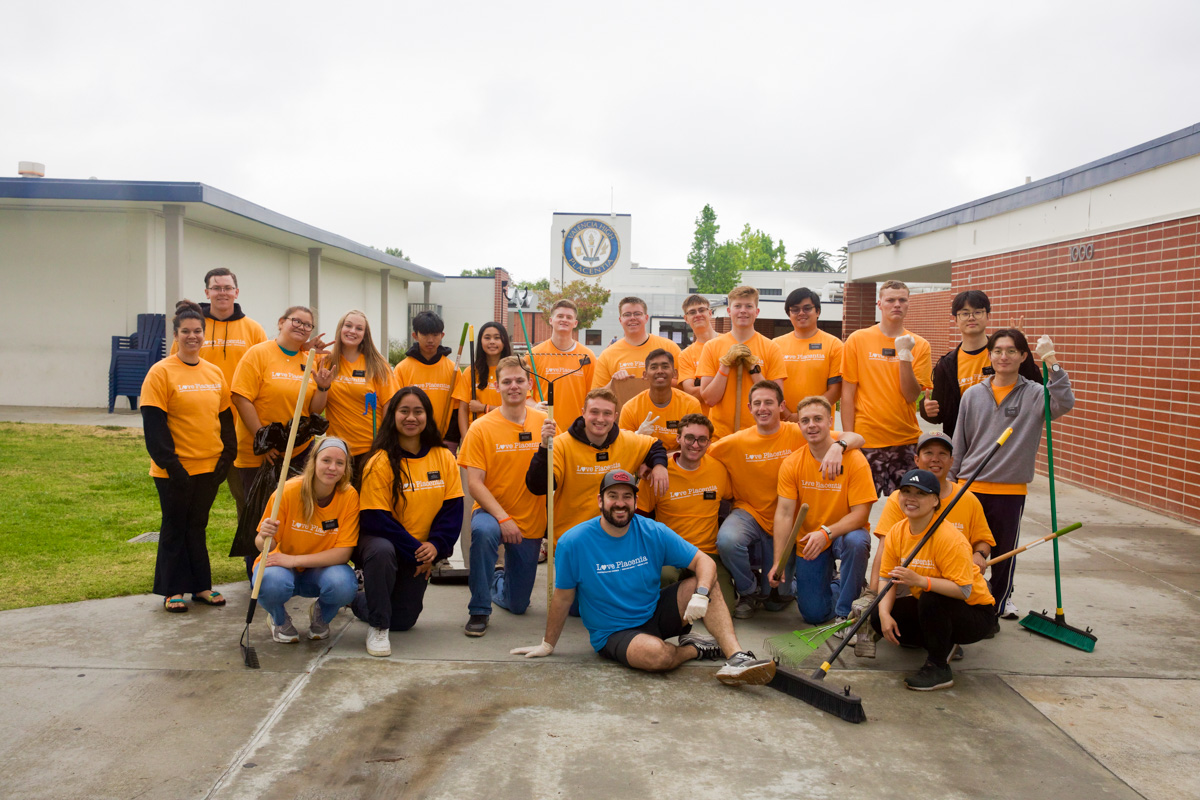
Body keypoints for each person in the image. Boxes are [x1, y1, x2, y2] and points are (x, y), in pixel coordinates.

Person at [510, 469, 776, 686]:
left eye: (627, 496)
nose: (620, 503)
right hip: (614, 632)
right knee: (658, 656)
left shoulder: (652, 531)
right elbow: (563, 598)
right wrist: (548, 644)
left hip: (653, 613)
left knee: (704, 581)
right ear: (600, 501)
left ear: (636, 503)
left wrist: (701, 594)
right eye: (613, 496)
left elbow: (703, 561)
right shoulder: (574, 542)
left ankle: (736, 657)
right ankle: (696, 649)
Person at [952, 330, 1074, 625]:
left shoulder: (1035, 394)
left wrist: (1051, 359)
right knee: (961, 552)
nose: (1003, 357)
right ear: (990, 356)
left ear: (1023, 356)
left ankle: (992, 612)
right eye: (997, 351)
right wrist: (952, 484)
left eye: (1011, 351)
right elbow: (959, 444)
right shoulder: (972, 395)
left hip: (1009, 492)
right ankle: (960, 606)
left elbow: (1064, 402)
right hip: (969, 488)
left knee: (1004, 556)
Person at [862, 431, 995, 658]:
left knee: (932, 598)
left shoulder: (962, 511)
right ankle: (934, 637)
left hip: (954, 588)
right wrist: (874, 598)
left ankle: (939, 657)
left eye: (942, 454)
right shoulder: (898, 521)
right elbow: (886, 560)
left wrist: (979, 554)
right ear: (916, 459)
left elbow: (980, 547)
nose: (935, 459)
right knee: (882, 612)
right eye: (928, 453)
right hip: (915, 579)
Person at [353, 387, 464, 657]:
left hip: (421, 550)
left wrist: (435, 547)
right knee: (381, 550)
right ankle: (378, 627)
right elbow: (376, 519)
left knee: (403, 620)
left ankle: (352, 601)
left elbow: (452, 510)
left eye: (418, 411)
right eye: (404, 411)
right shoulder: (379, 461)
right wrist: (418, 551)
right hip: (388, 545)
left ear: (427, 416)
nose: (411, 417)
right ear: (393, 415)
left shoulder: (443, 457)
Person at [141, 300, 237, 612]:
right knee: (175, 526)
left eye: (197, 331)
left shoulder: (214, 372)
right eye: (186, 331)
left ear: (203, 334)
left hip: (209, 467)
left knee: (197, 525)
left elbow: (225, 419)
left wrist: (227, 456)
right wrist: (172, 465)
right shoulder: (160, 373)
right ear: (176, 335)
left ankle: (201, 586)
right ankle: (173, 590)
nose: (192, 336)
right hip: (174, 469)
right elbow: (154, 426)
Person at [872, 469, 996, 691]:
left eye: (920, 493)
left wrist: (921, 580)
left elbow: (964, 590)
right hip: (933, 603)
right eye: (906, 491)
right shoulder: (897, 532)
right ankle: (941, 641)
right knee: (877, 615)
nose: (911, 498)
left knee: (931, 598)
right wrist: (883, 615)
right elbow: (886, 577)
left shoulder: (950, 539)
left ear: (935, 501)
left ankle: (938, 667)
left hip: (975, 612)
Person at [231, 305, 330, 576]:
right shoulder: (258, 353)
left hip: (298, 453)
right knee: (260, 516)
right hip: (260, 453)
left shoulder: (310, 359)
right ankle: (259, 574)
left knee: (293, 515)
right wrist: (263, 443)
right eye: (296, 321)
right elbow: (241, 397)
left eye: (307, 325)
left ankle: (287, 572)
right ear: (281, 322)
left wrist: (323, 386)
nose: (301, 327)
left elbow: (314, 409)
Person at [769, 396, 874, 635]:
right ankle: (848, 583)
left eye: (818, 419)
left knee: (857, 541)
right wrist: (778, 562)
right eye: (805, 420)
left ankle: (845, 613)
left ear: (830, 421)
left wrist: (826, 533)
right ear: (799, 426)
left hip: (842, 535)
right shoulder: (792, 463)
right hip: (810, 542)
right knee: (813, 614)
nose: (811, 425)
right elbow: (784, 514)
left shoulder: (854, 459)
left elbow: (860, 515)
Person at [459, 356, 547, 637]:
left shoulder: (544, 423)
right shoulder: (481, 428)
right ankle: (479, 609)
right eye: (507, 381)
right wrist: (503, 519)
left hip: (530, 519)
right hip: (491, 512)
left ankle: (497, 579)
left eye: (519, 380)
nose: (514, 386)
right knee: (483, 532)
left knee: (518, 605)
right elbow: (474, 484)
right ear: (496, 386)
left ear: (529, 384)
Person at [169, 268, 267, 520]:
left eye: (227, 288)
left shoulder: (253, 329)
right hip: (198, 428)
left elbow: (266, 373)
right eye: (216, 288)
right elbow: (173, 372)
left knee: (246, 497)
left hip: (240, 429)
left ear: (236, 292)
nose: (222, 293)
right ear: (207, 292)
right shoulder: (193, 329)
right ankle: (189, 541)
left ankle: (250, 545)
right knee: (192, 497)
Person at [709, 381, 805, 619]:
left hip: (787, 519)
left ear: (781, 406)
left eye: (769, 402)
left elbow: (852, 438)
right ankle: (749, 590)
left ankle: (792, 584)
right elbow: (695, 453)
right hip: (749, 512)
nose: (763, 408)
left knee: (776, 602)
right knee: (728, 541)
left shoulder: (798, 433)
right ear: (749, 408)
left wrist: (838, 446)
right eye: (758, 403)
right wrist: (656, 462)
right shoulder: (735, 441)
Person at [526, 387, 669, 542]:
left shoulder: (627, 441)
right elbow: (537, 486)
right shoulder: (562, 445)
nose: (600, 419)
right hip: (571, 538)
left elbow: (655, 446)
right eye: (594, 412)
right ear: (583, 413)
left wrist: (658, 466)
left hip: (614, 537)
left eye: (607, 413)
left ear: (615, 416)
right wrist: (544, 447)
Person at [254, 436, 359, 642]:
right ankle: (278, 619)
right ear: (314, 461)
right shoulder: (287, 491)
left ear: (346, 468)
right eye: (326, 460)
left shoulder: (349, 496)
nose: (332, 468)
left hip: (320, 569)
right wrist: (265, 535)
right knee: (269, 583)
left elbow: (343, 553)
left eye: (340, 463)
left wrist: (294, 560)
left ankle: (322, 615)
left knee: (343, 585)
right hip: (281, 568)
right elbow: (263, 546)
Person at [841, 280, 933, 499]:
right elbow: (847, 394)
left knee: (908, 507)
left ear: (908, 304)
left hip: (905, 441)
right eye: (891, 300)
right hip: (866, 440)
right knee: (857, 505)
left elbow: (911, 395)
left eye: (902, 300)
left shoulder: (920, 344)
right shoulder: (858, 339)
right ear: (879, 304)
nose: (897, 304)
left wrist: (904, 355)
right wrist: (849, 438)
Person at [636, 413, 736, 613]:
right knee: (663, 585)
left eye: (702, 439)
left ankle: (690, 590)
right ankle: (682, 593)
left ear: (709, 443)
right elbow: (640, 517)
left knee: (726, 609)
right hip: (670, 551)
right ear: (678, 438)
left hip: (707, 552)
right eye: (689, 438)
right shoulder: (658, 472)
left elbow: (733, 499)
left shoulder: (718, 470)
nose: (695, 445)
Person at [920, 290, 1041, 436]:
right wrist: (926, 410)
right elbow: (939, 415)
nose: (971, 318)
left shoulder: (1003, 356)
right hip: (963, 442)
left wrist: (1020, 349)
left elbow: (1037, 389)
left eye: (978, 312)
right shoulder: (947, 365)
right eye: (965, 313)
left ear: (988, 316)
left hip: (1005, 440)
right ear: (955, 319)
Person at [697, 285, 786, 439]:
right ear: (729, 311)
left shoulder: (771, 348)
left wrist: (753, 368)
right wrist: (725, 365)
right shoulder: (711, 347)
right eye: (737, 306)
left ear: (757, 312)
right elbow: (709, 399)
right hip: (720, 437)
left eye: (749, 306)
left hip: (758, 436)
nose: (743, 310)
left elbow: (777, 400)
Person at [320, 310, 397, 487]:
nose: (352, 331)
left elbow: (390, 406)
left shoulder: (377, 365)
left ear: (365, 334)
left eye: (359, 328)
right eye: (348, 325)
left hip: (369, 449)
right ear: (340, 328)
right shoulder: (325, 361)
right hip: (337, 450)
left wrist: (384, 444)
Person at [773, 287, 843, 421]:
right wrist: (786, 415)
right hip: (782, 424)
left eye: (807, 308)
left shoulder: (834, 345)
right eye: (795, 309)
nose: (801, 313)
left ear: (818, 311)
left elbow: (836, 390)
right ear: (789, 314)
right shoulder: (775, 345)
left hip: (818, 425)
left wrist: (805, 416)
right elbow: (770, 388)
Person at [591, 296, 681, 395]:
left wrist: (656, 380)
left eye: (637, 314)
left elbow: (682, 385)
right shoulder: (607, 355)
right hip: (624, 405)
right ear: (620, 320)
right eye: (627, 314)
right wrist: (614, 383)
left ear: (646, 318)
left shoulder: (669, 347)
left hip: (662, 405)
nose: (632, 318)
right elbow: (595, 396)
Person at [618, 348, 701, 451]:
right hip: (644, 459)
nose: (660, 371)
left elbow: (694, 448)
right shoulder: (630, 408)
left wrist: (662, 458)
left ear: (674, 373)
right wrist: (638, 435)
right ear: (645, 375)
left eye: (665, 366)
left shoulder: (691, 404)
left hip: (678, 460)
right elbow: (624, 449)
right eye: (654, 367)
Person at [393, 310, 459, 439]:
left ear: (442, 335)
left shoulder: (453, 369)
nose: (430, 340)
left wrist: (451, 440)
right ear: (415, 335)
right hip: (411, 438)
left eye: (435, 335)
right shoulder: (402, 369)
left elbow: (456, 410)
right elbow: (396, 408)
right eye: (424, 334)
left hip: (443, 439)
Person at [455, 321, 525, 437]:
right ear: (480, 341)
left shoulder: (514, 371)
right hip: (478, 434)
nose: (492, 341)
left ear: (504, 341)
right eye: (487, 338)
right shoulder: (471, 371)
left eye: (497, 338)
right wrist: (466, 437)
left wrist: (484, 408)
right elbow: (463, 409)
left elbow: (519, 409)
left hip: (506, 432)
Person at [531, 299, 595, 426]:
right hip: (543, 427)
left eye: (569, 317)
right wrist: (534, 406)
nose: (564, 320)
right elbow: (523, 395)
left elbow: (593, 395)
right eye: (560, 316)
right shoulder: (533, 355)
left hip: (576, 428)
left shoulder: (587, 356)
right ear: (551, 320)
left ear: (575, 323)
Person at [676, 294, 719, 410]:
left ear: (710, 313)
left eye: (701, 310)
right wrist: (725, 382)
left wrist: (702, 384)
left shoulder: (729, 343)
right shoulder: (685, 355)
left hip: (727, 418)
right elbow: (691, 393)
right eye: (692, 312)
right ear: (686, 319)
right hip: (702, 418)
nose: (698, 315)